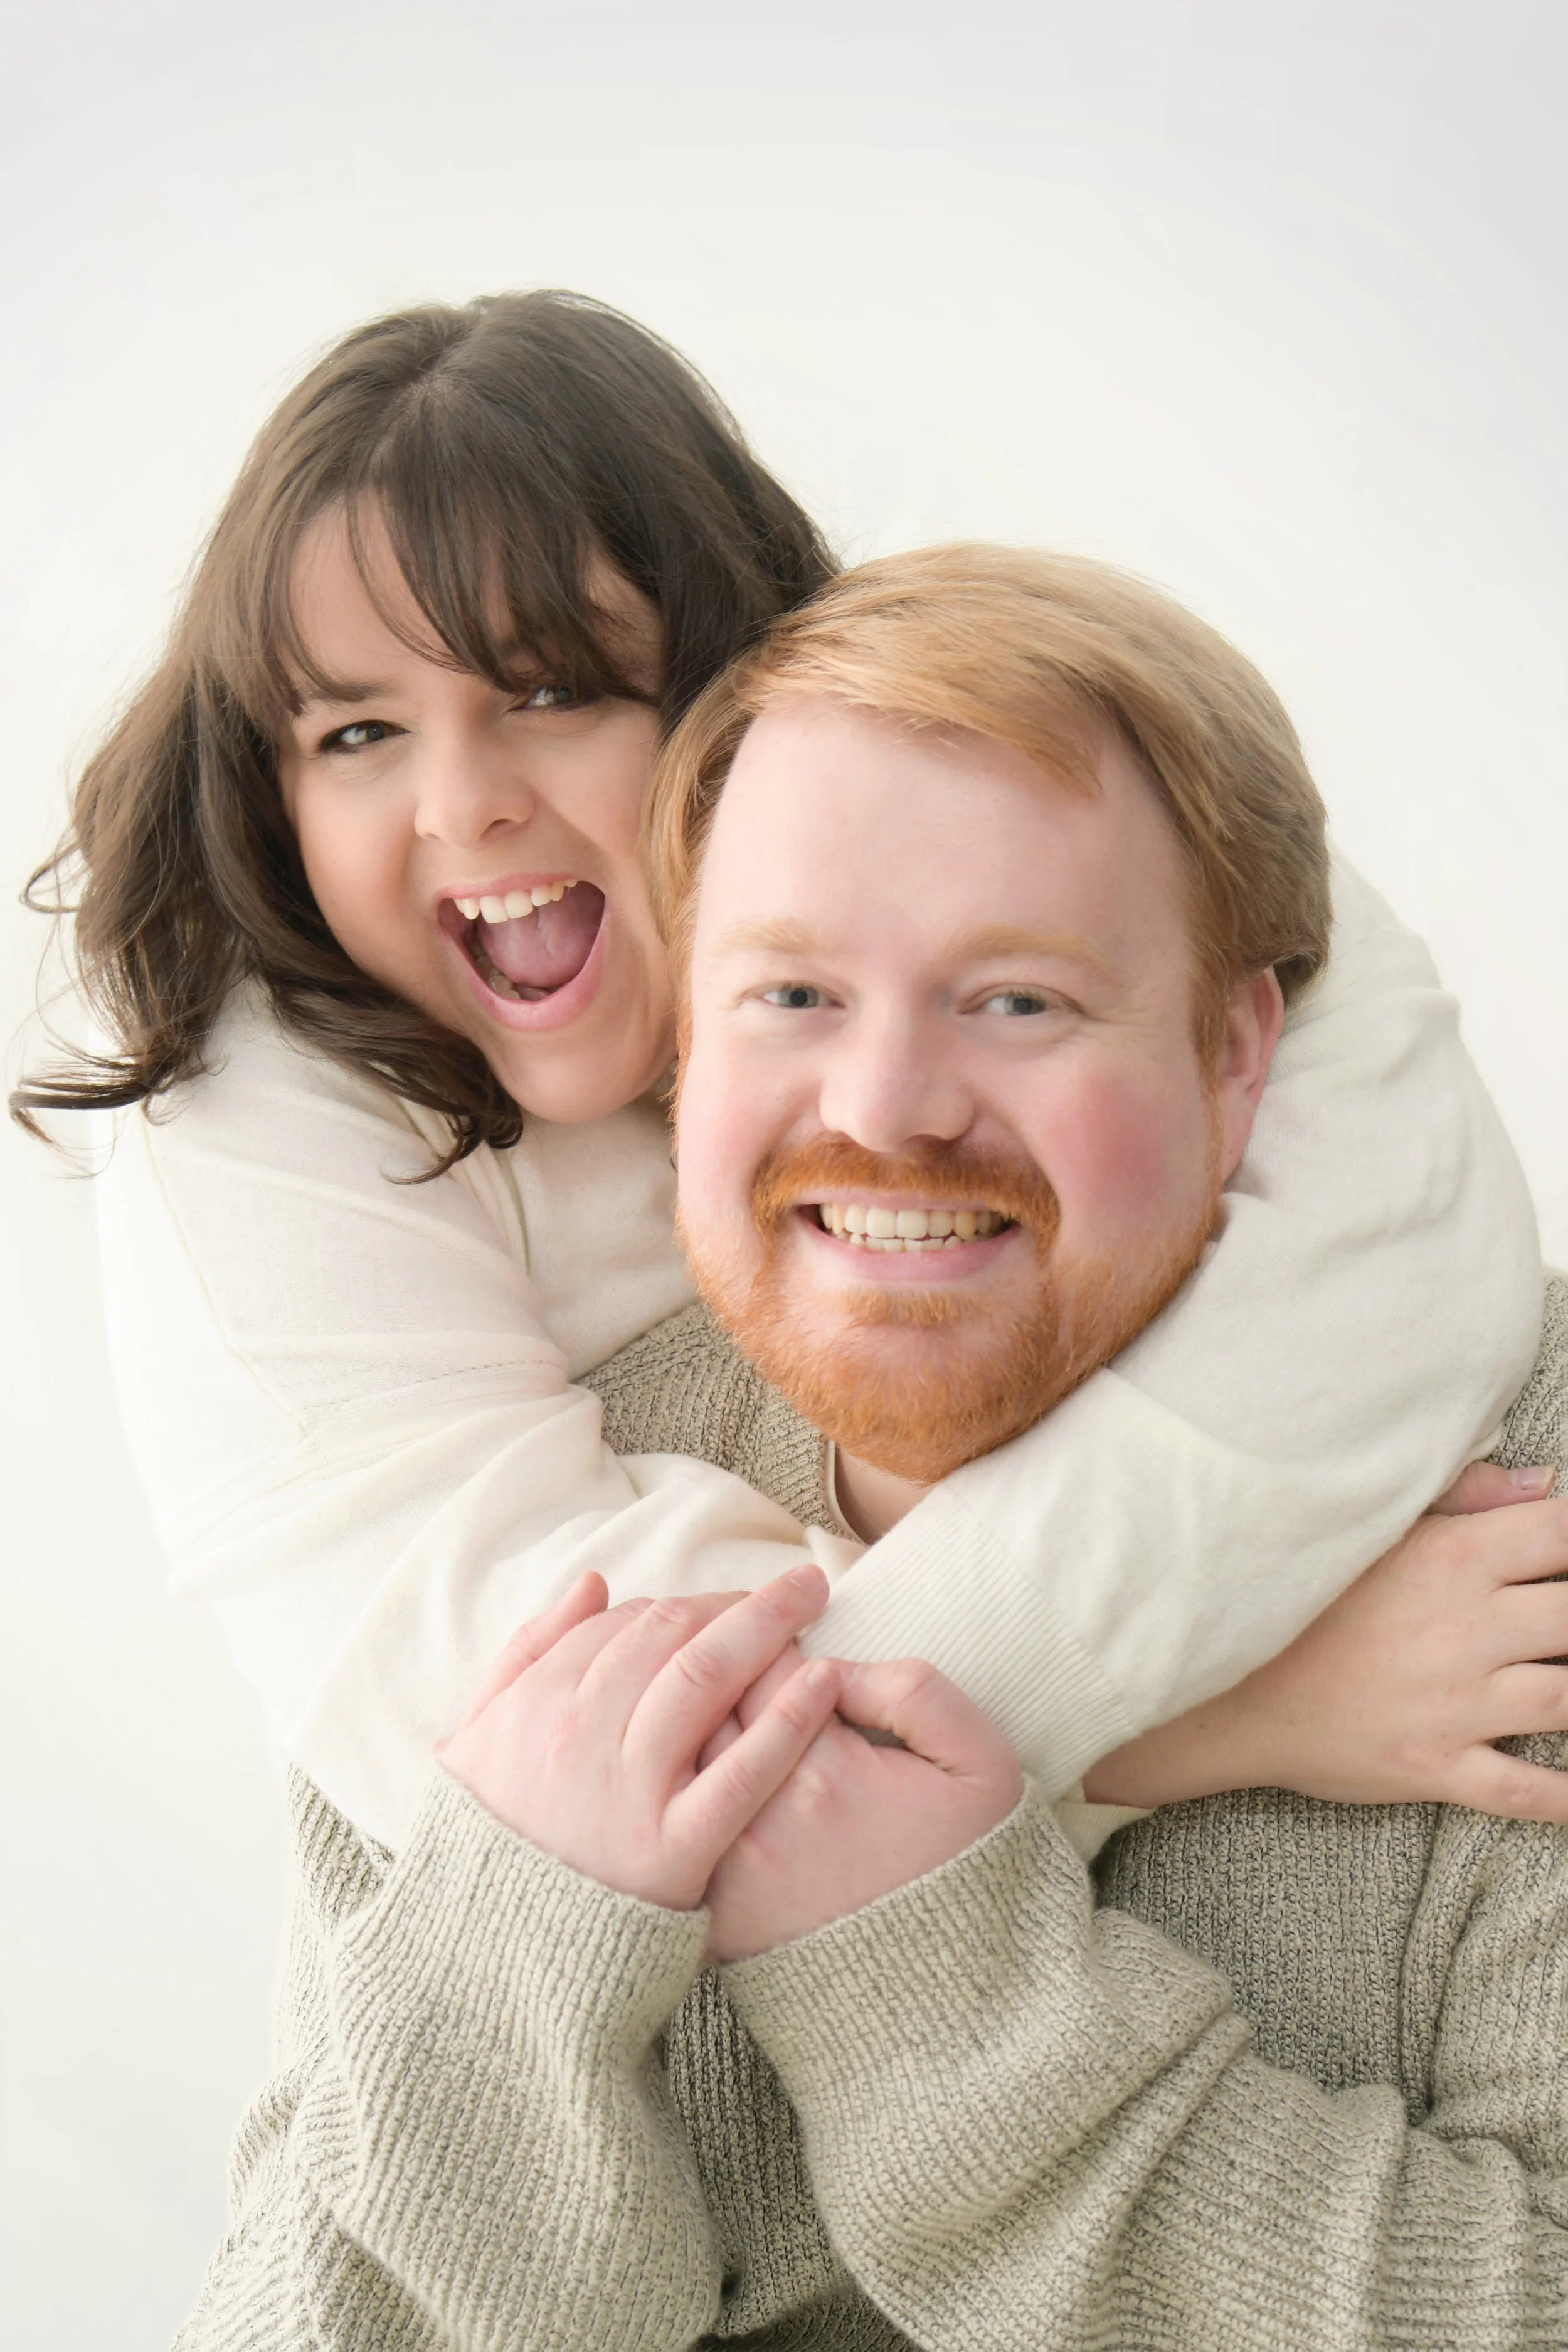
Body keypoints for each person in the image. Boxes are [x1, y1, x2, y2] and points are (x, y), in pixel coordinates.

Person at [172, 546, 1568, 2349]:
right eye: (791, 996)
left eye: (1017, 999)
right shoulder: (525, 1547)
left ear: (1237, 1055)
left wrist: (949, 2005)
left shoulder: (1521, 1495)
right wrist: (519, 1958)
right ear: (684, 1041)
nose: (885, 1106)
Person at [11, 292, 1547, 1860]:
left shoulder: (958, 764)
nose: (461, 805)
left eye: (549, 691)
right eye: (355, 733)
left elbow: (1404, 1225)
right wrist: (1225, 1708)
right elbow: (520, 1758)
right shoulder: (243, 1119)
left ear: (728, 682)